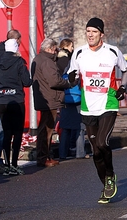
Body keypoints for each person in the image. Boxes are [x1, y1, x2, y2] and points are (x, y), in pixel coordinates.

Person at [68, 17, 127, 204]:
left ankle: (110, 175)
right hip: (88, 106)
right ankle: (106, 183)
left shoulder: (112, 51)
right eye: (88, 31)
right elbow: (74, 77)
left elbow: (125, 70)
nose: (90, 35)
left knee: (103, 142)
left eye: (94, 31)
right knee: (95, 152)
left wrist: (122, 88)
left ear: (101, 34)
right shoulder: (78, 53)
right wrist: (72, 78)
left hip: (108, 103)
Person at [0, 38, 33, 175]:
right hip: (17, 100)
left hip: (3, 101)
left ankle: (7, 164)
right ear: (16, 48)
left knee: (6, 132)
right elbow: (27, 82)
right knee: (17, 133)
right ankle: (14, 164)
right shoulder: (20, 62)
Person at [32, 38, 74, 168]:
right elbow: (54, 81)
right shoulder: (47, 62)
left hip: (43, 97)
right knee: (47, 130)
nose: (57, 52)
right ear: (50, 49)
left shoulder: (38, 59)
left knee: (43, 128)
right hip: (50, 99)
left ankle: (43, 156)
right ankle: (44, 157)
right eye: (55, 49)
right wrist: (68, 83)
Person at [0, 29, 21, 174]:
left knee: (3, 127)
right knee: (1, 127)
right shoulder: (5, 55)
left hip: (0, 93)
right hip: (3, 95)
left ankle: (2, 160)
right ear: (16, 40)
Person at [57, 39, 87, 160]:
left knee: (65, 127)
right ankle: (80, 152)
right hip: (77, 99)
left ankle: (62, 153)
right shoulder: (72, 63)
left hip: (65, 98)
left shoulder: (56, 62)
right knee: (79, 127)